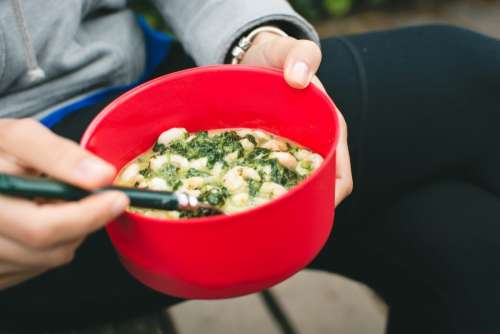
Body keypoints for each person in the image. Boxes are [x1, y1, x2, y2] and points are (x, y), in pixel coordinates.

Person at [0, 0, 499, 333]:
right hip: (29, 170)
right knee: (469, 74)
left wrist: (248, 37)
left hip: (154, 81)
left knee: (466, 242)